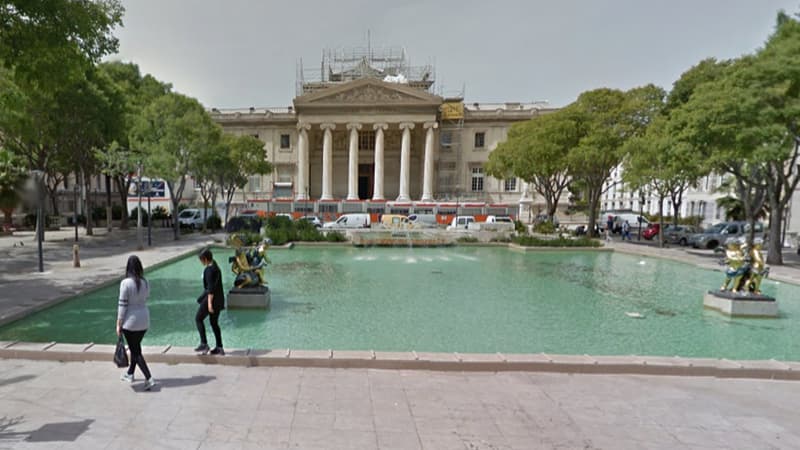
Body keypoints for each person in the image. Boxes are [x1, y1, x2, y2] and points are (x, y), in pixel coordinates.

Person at [117, 255, 157, 390]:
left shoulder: (125, 283)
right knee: (136, 347)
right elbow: (147, 297)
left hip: (130, 322)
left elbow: (122, 305)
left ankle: (149, 378)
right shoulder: (145, 282)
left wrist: (118, 323)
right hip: (144, 319)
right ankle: (130, 373)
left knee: (135, 351)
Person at [195, 248, 225, 355]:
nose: (201, 262)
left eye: (201, 260)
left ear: (205, 259)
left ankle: (204, 344)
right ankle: (219, 347)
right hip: (219, 300)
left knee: (198, 319)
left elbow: (211, 289)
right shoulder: (216, 267)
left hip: (211, 299)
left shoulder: (208, 270)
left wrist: (209, 304)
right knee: (214, 323)